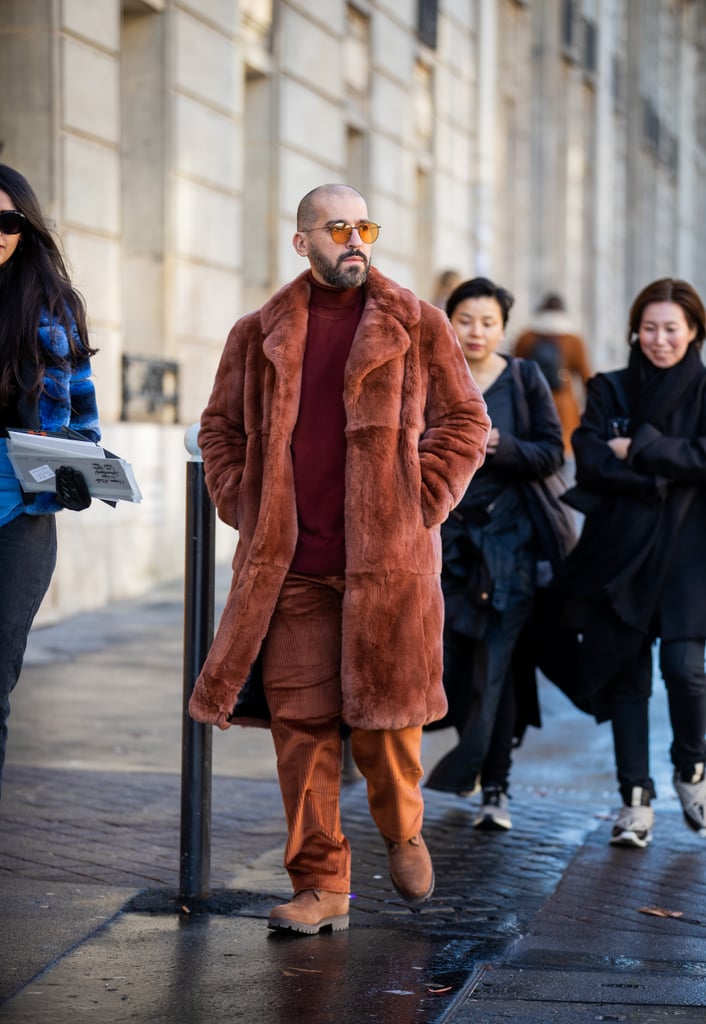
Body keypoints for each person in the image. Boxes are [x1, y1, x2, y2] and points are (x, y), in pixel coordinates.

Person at [188, 184, 490, 934]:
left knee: (388, 733)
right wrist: (243, 502)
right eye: (338, 227)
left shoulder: (416, 324)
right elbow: (219, 429)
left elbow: (465, 421)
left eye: (365, 226)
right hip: (289, 573)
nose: (355, 239)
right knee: (302, 733)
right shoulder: (256, 333)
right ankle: (322, 884)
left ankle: (403, 828)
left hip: (386, 573)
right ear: (303, 242)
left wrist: (416, 502)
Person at [551, 278, 706, 848]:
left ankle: (692, 767)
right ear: (634, 331)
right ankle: (634, 800)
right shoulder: (610, 387)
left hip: (690, 553)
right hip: (620, 551)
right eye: (650, 328)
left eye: (671, 328)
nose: (659, 339)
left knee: (687, 670)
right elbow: (590, 460)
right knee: (627, 677)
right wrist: (667, 472)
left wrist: (639, 448)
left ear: (693, 332)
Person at [425, 277, 574, 830]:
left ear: (503, 328)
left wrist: (499, 446)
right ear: (449, 320)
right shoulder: (431, 375)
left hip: (509, 546)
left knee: (497, 665)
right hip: (446, 543)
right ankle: (477, 767)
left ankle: (496, 787)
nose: (477, 332)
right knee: (458, 668)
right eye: (466, 320)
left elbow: (551, 454)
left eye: (488, 322)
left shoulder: (524, 376)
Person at [0, 164, 100, 796]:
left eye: (7, 221)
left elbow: (81, 424)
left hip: (18, 519)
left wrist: (78, 476)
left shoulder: (48, 308)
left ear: (23, 228)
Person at [513, 292, 591, 459]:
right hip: (564, 403)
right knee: (566, 451)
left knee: (535, 451)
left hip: (531, 400)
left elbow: (513, 369)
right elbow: (585, 375)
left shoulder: (526, 337)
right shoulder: (573, 339)